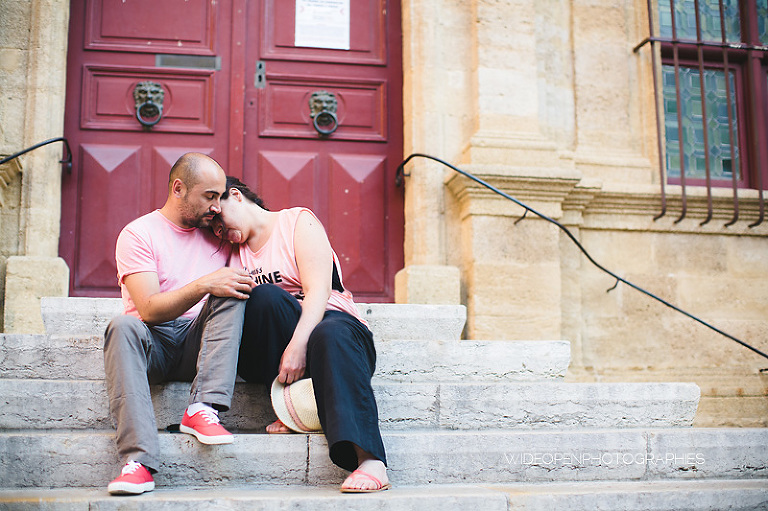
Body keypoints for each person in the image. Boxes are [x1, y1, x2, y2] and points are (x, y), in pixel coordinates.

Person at [210, 176, 390, 493]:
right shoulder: (233, 255)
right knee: (262, 299)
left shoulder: (296, 222)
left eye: (218, 219)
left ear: (235, 196)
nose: (219, 232)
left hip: (337, 333)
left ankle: (370, 459)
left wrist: (297, 344)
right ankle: (291, 408)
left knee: (328, 332)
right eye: (212, 229)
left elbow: (318, 290)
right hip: (279, 354)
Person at [103, 153, 255, 495]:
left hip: (199, 346)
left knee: (232, 286)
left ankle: (203, 407)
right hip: (152, 345)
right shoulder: (139, 233)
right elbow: (150, 309)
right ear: (178, 188)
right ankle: (138, 463)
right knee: (122, 326)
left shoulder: (221, 235)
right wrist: (204, 284)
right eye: (210, 196)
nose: (217, 207)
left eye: (221, 196)